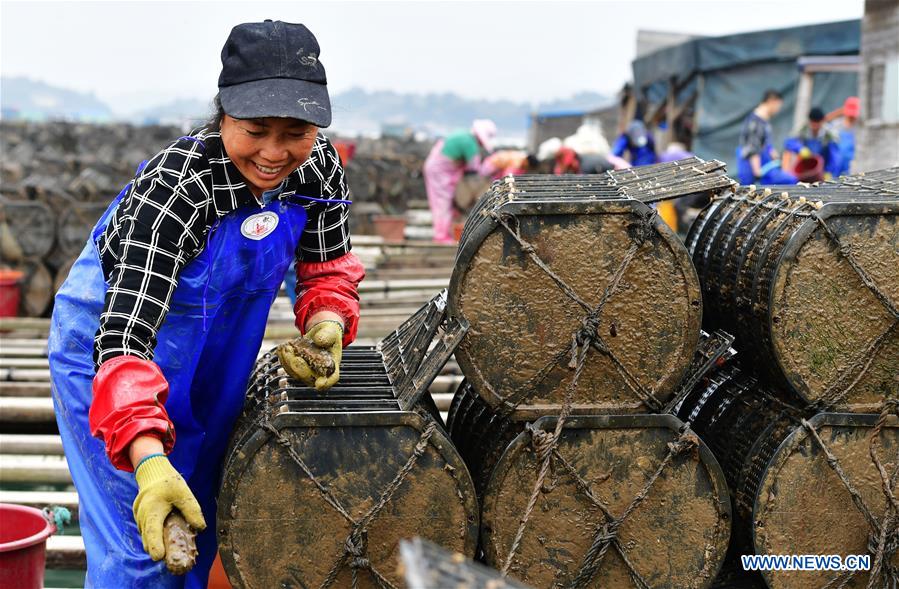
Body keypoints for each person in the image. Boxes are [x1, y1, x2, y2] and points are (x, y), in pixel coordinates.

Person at [48, 21, 365, 588]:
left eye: (295, 131)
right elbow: (123, 340)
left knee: (204, 517)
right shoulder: (178, 188)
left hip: (215, 355)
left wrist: (325, 322)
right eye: (255, 130)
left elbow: (325, 267)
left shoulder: (317, 168)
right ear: (223, 117)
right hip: (111, 356)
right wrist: (146, 459)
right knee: (145, 540)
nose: (274, 152)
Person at [422, 120, 497, 243]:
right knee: (442, 202)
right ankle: (441, 237)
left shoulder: (465, 137)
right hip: (440, 171)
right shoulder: (469, 144)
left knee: (446, 202)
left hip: (442, 170)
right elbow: (475, 168)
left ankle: (445, 233)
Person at [735, 89, 797, 185]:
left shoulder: (764, 121)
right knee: (789, 181)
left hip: (763, 166)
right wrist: (757, 172)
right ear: (772, 102)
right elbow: (752, 149)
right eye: (778, 106)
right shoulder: (755, 122)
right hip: (753, 169)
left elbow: (765, 144)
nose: (778, 110)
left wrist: (773, 154)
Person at [782, 106, 842, 181]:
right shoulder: (802, 129)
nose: (815, 127)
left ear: (822, 121)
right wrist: (800, 149)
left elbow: (835, 157)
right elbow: (789, 142)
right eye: (813, 124)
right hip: (807, 166)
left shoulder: (830, 134)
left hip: (823, 167)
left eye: (817, 124)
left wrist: (830, 172)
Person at [829, 96, 859, 176]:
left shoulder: (859, 128)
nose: (851, 118)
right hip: (835, 167)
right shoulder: (836, 126)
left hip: (851, 167)